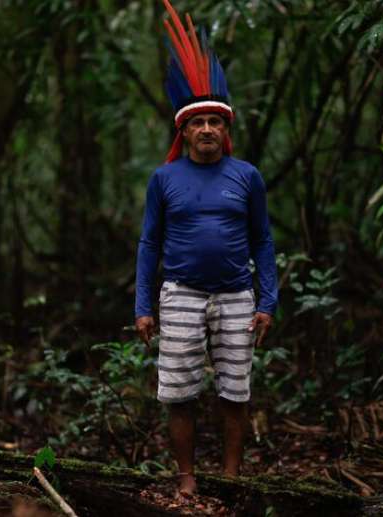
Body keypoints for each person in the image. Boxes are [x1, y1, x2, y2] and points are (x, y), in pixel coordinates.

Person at [134, 0, 278, 497]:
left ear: (226, 129)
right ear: (184, 130)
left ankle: (232, 478)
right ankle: (188, 479)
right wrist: (142, 308)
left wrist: (267, 302)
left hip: (236, 296)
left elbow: (262, 240)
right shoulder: (164, 179)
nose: (208, 130)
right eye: (198, 123)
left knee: (235, 393)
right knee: (179, 393)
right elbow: (149, 242)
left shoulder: (247, 177)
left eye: (216, 122)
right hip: (181, 296)